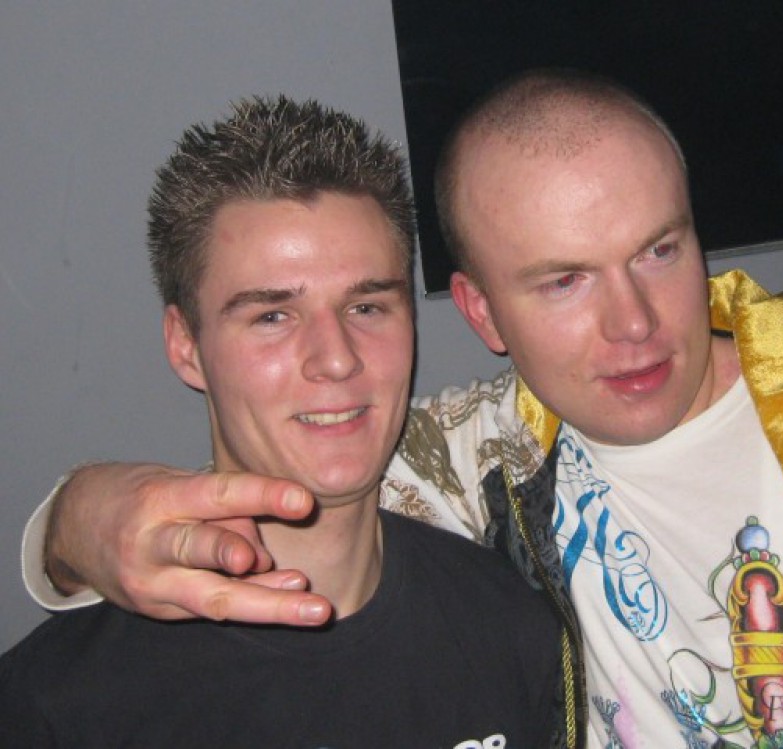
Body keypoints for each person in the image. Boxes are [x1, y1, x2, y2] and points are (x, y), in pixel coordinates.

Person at [20, 70, 783, 748]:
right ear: (481, 312)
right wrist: (70, 521)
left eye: (658, 250)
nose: (635, 323)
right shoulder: (480, 459)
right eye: (564, 280)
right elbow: (285, 484)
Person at [1, 95, 565, 748]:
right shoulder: (64, 703)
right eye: (272, 315)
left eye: (366, 306)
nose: (336, 358)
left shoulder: (509, 627)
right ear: (186, 345)